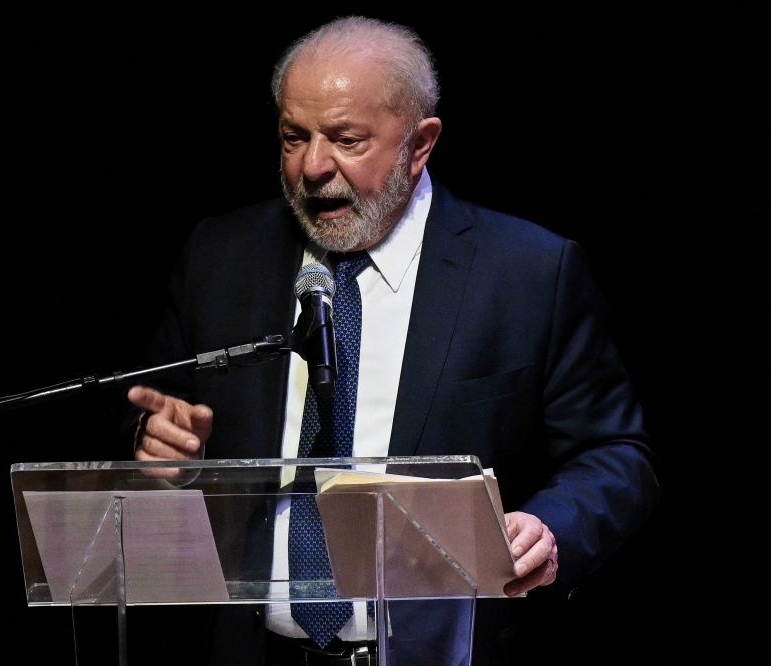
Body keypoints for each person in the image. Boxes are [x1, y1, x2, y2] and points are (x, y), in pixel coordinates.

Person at [124, 16, 660, 666]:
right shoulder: (221, 254)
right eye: (294, 137)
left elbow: (615, 452)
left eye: (346, 140)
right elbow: (161, 413)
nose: (313, 167)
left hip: (443, 651)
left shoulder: (528, 272)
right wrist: (160, 446)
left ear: (420, 143)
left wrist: (552, 526)